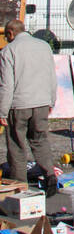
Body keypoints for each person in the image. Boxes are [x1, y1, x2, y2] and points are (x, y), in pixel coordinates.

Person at [0, 20, 57, 194]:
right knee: (40, 140)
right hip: (41, 101)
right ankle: (50, 175)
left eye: (6, 36)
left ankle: (20, 185)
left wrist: (2, 110)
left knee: (17, 145)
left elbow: (6, 85)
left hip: (19, 104)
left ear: (10, 33)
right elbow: (51, 76)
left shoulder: (8, 51)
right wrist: (51, 101)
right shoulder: (44, 47)